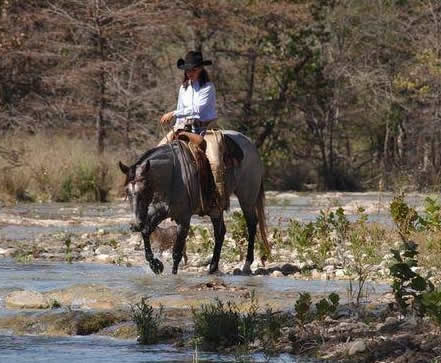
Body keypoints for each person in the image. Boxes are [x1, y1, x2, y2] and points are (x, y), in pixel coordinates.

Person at [160, 51, 217, 136]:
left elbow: (197, 109)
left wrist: (173, 113)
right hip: (187, 127)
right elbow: (180, 107)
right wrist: (176, 127)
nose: (190, 73)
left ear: (200, 69)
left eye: (193, 70)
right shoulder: (183, 88)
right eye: (187, 70)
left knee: (211, 148)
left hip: (206, 128)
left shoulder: (208, 87)